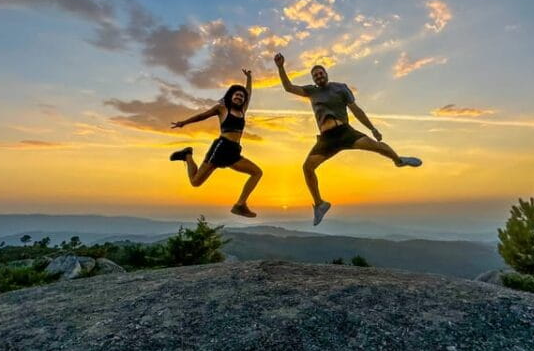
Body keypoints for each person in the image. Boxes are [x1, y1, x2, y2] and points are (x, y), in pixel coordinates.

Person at [274, 53, 422, 225]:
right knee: (307, 168)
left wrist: (372, 128)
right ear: (313, 80)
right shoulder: (311, 91)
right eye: (315, 75)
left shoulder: (340, 88)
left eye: (320, 73)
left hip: (345, 133)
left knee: (377, 146)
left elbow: (356, 110)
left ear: (326, 74)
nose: (318, 76)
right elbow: (288, 87)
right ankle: (320, 204)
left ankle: (399, 159)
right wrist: (280, 67)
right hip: (326, 139)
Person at [169, 69, 262, 218]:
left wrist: (250, 77)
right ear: (231, 96)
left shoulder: (243, 110)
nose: (239, 97)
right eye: (237, 94)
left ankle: (240, 205)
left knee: (257, 172)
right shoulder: (222, 109)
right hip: (221, 148)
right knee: (196, 182)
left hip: (234, 151)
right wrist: (183, 123)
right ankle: (187, 155)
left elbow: (249, 92)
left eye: (242, 96)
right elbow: (202, 115)